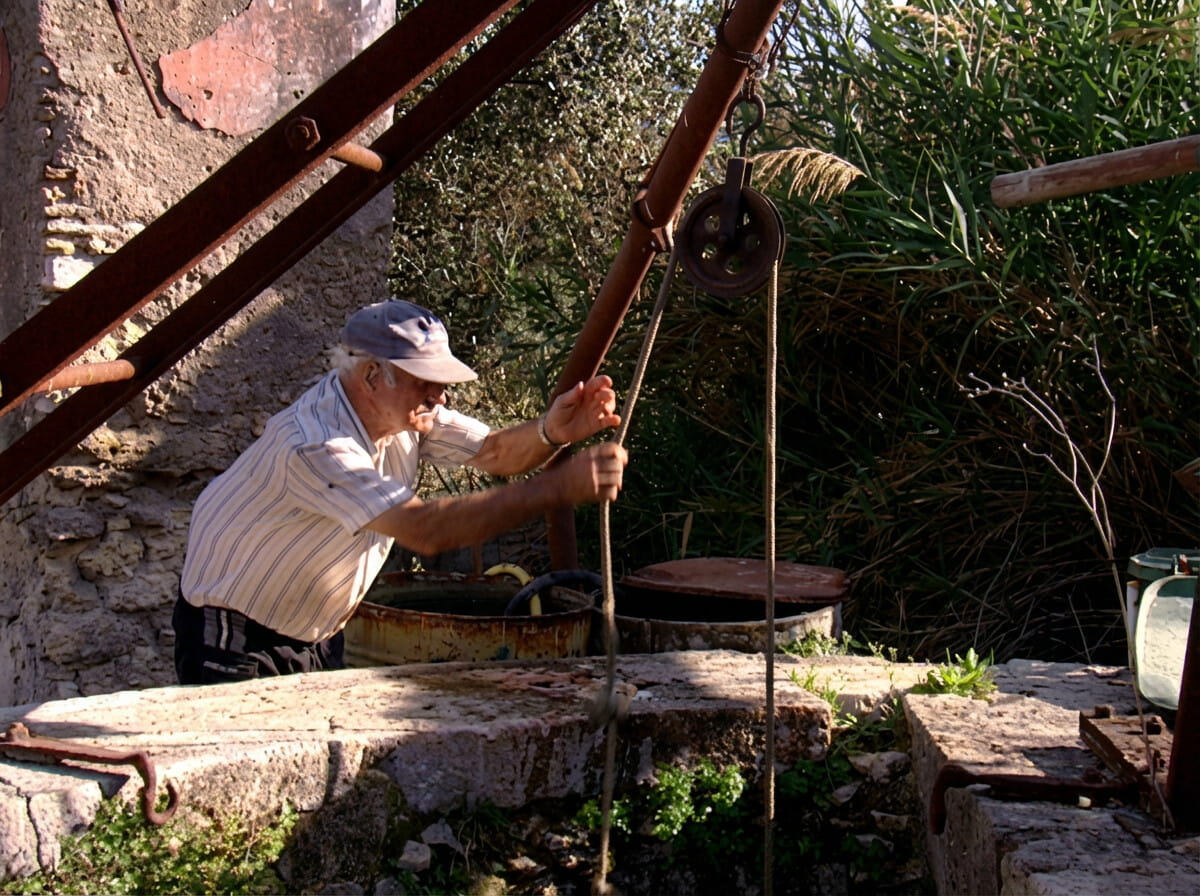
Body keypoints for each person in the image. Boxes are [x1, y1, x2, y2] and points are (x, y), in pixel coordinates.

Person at [173, 299, 627, 684]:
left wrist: (553, 431)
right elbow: (423, 529)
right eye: (425, 379)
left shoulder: (401, 416)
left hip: (317, 632)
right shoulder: (314, 442)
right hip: (237, 633)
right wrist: (559, 487)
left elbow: (494, 450)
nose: (441, 394)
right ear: (371, 374)